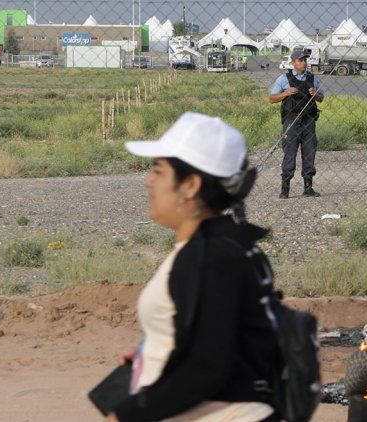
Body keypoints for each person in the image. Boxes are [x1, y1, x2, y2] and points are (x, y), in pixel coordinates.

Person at [108, 112, 279, 422]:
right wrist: (157, 353)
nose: (148, 181)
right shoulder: (230, 245)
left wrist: (127, 414)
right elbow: (225, 335)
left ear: (190, 184)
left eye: (158, 170)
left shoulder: (210, 256)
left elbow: (208, 367)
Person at [269, 50, 325, 199]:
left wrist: (316, 94)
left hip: (309, 121)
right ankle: (285, 189)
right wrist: (286, 93)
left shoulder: (312, 78)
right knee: (290, 153)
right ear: (293, 63)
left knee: (309, 153)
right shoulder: (283, 79)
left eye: (305, 60)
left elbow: (321, 98)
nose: (304, 63)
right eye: (300, 60)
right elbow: (272, 98)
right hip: (292, 122)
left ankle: (308, 188)